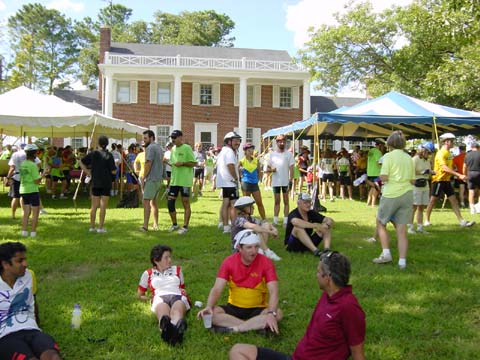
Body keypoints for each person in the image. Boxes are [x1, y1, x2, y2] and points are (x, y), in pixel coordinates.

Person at [229, 251, 366, 360]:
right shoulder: (328, 294)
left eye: (318, 272)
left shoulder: (348, 307)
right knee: (238, 350)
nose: (316, 275)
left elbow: (357, 352)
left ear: (328, 277)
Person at [197, 231, 282, 334]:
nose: (254, 251)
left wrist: (270, 313)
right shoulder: (229, 262)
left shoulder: (266, 262)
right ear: (239, 248)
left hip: (258, 308)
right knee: (211, 314)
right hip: (234, 307)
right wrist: (209, 306)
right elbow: (217, 289)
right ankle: (254, 326)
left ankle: (235, 329)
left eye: (256, 247)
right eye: (249, 247)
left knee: (277, 313)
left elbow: (274, 291)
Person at [0, 242, 62, 360]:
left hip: (33, 331)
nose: (25, 264)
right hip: (6, 336)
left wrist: (37, 324)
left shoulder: (29, 275)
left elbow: (33, 300)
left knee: (53, 357)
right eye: (20, 261)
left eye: (25, 259)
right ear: (5, 264)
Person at [372, 131, 414, 269]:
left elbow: (383, 176)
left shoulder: (388, 157)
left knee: (380, 222)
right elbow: (413, 180)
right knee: (402, 230)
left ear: (389, 144)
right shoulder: (409, 157)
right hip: (407, 194)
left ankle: (386, 253)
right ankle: (402, 262)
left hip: (391, 194)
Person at [137, 245, 189, 345]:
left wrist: (183, 291)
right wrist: (149, 298)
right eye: (166, 257)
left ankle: (175, 331)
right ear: (156, 260)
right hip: (159, 297)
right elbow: (140, 295)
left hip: (177, 295)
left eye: (170, 257)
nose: (170, 260)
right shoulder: (148, 273)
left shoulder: (177, 270)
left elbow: (182, 287)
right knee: (163, 314)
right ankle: (167, 331)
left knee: (177, 311)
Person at [425, 133, 475, 227]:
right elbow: (444, 168)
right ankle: (426, 220)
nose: (453, 143)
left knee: (453, 200)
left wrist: (454, 169)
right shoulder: (441, 153)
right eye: (452, 141)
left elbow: (449, 166)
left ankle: (461, 221)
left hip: (446, 180)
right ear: (446, 142)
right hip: (439, 180)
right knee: (433, 200)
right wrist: (459, 175)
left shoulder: (449, 153)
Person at [80, 136, 117, 233]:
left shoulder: (93, 153)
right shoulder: (109, 155)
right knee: (103, 206)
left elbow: (81, 162)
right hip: (106, 182)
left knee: (94, 206)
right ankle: (100, 227)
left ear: (98, 143)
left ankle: (92, 227)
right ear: (107, 144)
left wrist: (88, 172)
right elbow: (113, 171)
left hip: (95, 182)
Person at [231, 196, 281, 261]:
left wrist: (274, 229)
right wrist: (271, 232)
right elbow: (253, 227)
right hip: (239, 248)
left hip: (250, 244)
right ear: (244, 208)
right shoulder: (239, 219)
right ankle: (267, 252)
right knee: (256, 231)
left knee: (265, 225)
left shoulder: (250, 218)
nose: (253, 208)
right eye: (251, 206)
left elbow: (265, 224)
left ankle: (261, 251)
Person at [167, 130, 196, 234]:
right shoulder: (173, 149)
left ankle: (185, 226)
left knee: (185, 203)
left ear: (180, 137)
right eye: (172, 138)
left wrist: (183, 163)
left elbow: (194, 163)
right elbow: (174, 164)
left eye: (175, 137)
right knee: (170, 202)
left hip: (184, 181)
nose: (173, 140)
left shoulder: (187, 148)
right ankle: (174, 224)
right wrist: (167, 162)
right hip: (174, 180)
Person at [216, 131, 242, 233]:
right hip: (230, 182)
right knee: (233, 205)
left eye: (239, 141)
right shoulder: (229, 152)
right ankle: (234, 226)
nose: (238, 143)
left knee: (225, 203)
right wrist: (236, 178)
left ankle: (225, 226)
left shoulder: (223, 151)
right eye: (235, 140)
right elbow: (230, 166)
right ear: (229, 141)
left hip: (225, 182)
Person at [139, 130, 164, 232]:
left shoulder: (150, 148)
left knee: (146, 202)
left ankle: (145, 227)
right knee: (154, 203)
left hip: (151, 179)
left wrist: (143, 177)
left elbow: (148, 164)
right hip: (158, 179)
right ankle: (155, 224)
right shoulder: (159, 147)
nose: (144, 141)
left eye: (145, 138)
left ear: (151, 137)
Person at [267, 134, 294, 227]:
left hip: (285, 181)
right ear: (277, 142)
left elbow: (291, 168)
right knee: (277, 201)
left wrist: (291, 181)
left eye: (283, 141)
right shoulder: (272, 154)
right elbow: (267, 168)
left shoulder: (289, 154)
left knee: (286, 201)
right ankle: (275, 220)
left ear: (285, 142)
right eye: (280, 141)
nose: (282, 143)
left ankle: (286, 221)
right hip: (276, 182)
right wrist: (271, 169)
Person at [407, 142, 434, 234]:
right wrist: (423, 172)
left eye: (429, 153)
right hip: (416, 185)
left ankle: (420, 226)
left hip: (425, 184)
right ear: (422, 150)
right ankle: (410, 227)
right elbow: (411, 171)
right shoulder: (414, 159)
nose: (428, 154)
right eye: (427, 152)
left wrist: (430, 172)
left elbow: (427, 172)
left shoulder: (427, 161)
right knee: (413, 206)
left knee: (421, 207)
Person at [239, 143, 267, 220]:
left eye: (252, 150)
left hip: (254, 184)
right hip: (246, 183)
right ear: (245, 151)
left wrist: (259, 179)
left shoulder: (256, 160)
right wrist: (240, 178)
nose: (251, 151)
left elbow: (259, 171)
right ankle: (245, 219)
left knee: (259, 202)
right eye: (249, 150)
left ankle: (264, 219)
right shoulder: (241, 161)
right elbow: (237, 171)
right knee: (246, 204)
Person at [19, 144, 42, 237]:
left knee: (26, 212)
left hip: (23, 190)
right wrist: (43, 174)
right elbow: (37, 181)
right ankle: (33, 232)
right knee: (35, 212)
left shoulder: (23, 164)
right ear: (35, 153)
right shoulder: (33, 165)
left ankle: (24, 231)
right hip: (33, 190)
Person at [366, 138, 385, 206]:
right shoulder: (378, 152)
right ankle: (373, 204)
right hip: (376, 172)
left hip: (370, 172)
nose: (383, 147)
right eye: (383, 145)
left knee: (372, 188)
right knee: (376, 189)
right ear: (380, 145)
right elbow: (379, 162)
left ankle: (368, 203)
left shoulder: (371, 151)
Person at [463, 141, 480, 214]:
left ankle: (472, 208)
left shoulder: (467, 155)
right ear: (478, 147)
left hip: (470, 173)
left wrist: (464, 175)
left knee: (471, 191)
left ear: (471, 147)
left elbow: (464, 167)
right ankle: (479, 207)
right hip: (479, 173)